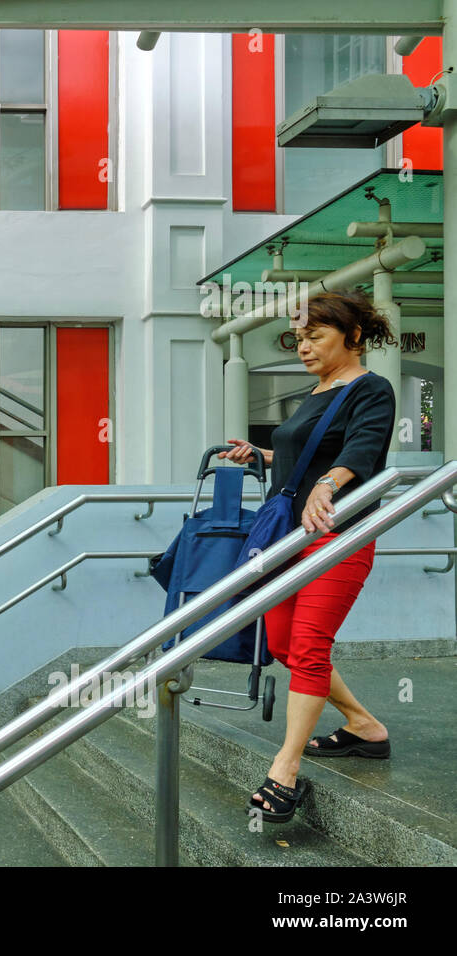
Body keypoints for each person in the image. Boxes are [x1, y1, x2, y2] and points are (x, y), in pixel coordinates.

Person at [216, 290, 397, 823]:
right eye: (299, 338)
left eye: (316, 335)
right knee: (281, 644)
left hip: (336, 537)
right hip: (288, 540)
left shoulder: (372, 389)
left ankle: (284, 771)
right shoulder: (318, 391)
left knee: (310, 646)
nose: (304, 346)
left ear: (354, 336)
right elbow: (306, 453)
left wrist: (328, 484)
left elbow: (360, 452)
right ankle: (365, 727)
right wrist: (265, 455)